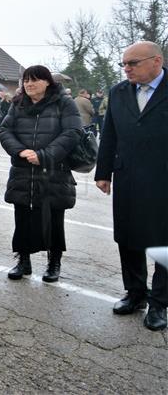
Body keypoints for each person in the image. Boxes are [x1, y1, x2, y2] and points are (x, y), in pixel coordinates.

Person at [95, 41, 167, 332]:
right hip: (127, 177)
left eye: (133, 63)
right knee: (128, 236)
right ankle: (135, 293)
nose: (126, 69)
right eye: (124, 64)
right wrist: (104, 173)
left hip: (163, 179)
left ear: (156, 61)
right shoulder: (119, 92)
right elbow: (109, 133)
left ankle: (160, 302)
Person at [0, 66, 82, 282]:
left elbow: (72, 132)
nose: (29, 84)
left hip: (53, 170)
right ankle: (23, 260)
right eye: (26, 80)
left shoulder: (64, 103)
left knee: (53, 218)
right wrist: (19, 150)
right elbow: (5, 130)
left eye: (34, 80)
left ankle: (54, 263)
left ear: (47, 82)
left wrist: (44, 155)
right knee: (22, 215)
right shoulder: (18, 104)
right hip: (23, 169)